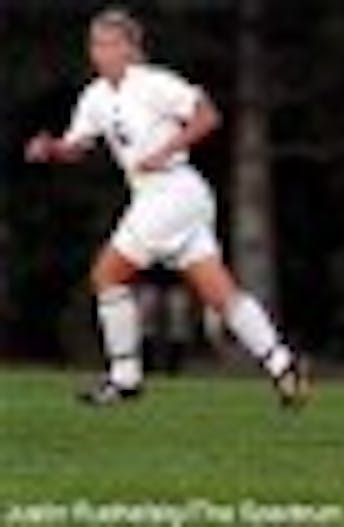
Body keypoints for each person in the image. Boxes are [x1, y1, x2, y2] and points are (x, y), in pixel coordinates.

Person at [24, 8, 309, 408]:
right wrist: (52, 148)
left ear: (130, 48)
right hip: (166, 199)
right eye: (95, 44)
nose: (99, 52)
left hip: (172, 192)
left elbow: (207, 115)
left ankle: (125, 378)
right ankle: (283, 364)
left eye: (109, 44)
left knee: (107, 275)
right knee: (220, 294)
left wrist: (166, 150)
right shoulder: (95, 96)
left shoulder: (153, 83)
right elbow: (78, 145)